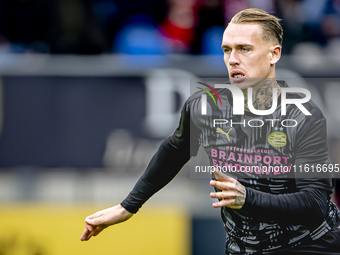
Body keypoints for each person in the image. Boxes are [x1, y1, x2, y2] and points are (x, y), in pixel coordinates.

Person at [80, 8, 340, 254]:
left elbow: (315, 204)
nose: (233, 59)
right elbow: (175, 149)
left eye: (244, 49)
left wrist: (247, 198)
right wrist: (128, 206)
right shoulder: (206, 105)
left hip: (311, 246)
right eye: (227, 50)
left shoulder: (302, 115)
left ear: (274, 54)